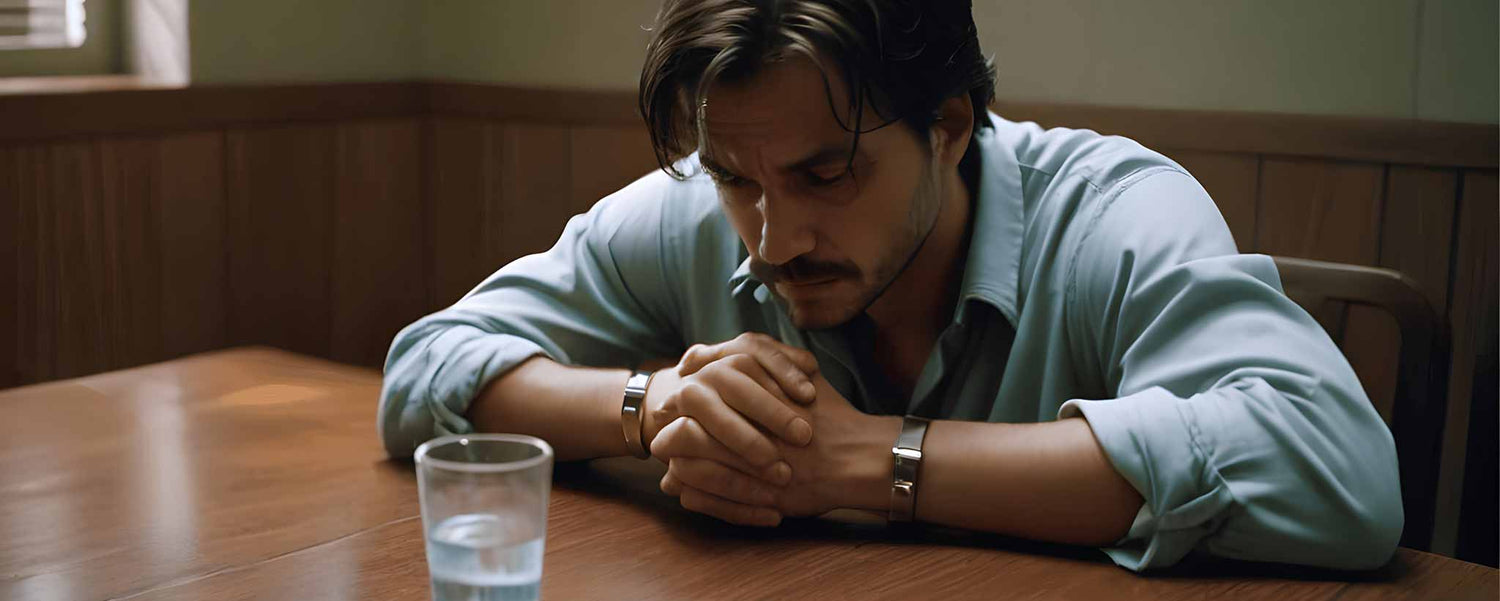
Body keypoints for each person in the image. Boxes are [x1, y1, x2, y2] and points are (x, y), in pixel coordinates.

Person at [379, 0, 1401, 571]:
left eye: (828, 175)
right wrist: (660, 407)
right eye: (737, 178)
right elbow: (426, 367)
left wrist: (870, 459)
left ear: (950, 127)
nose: (774, 237)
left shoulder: (1114, 214)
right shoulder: (700, 206)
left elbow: (1342, 476)